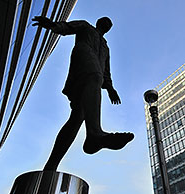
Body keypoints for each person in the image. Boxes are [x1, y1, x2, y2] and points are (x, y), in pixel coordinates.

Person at [32, 16, 134, 171]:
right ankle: (95, 132)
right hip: (83, 55)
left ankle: (51, 166)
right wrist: (52, 25)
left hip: (95, 78)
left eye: (110, 24)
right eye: (105, 21)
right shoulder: (86, 26)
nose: (108, 24)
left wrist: (110, 88)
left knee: (78, 116)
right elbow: (68, 27)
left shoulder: (106, 47)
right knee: (95, 76)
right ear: (99, 22)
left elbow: (106, 70)